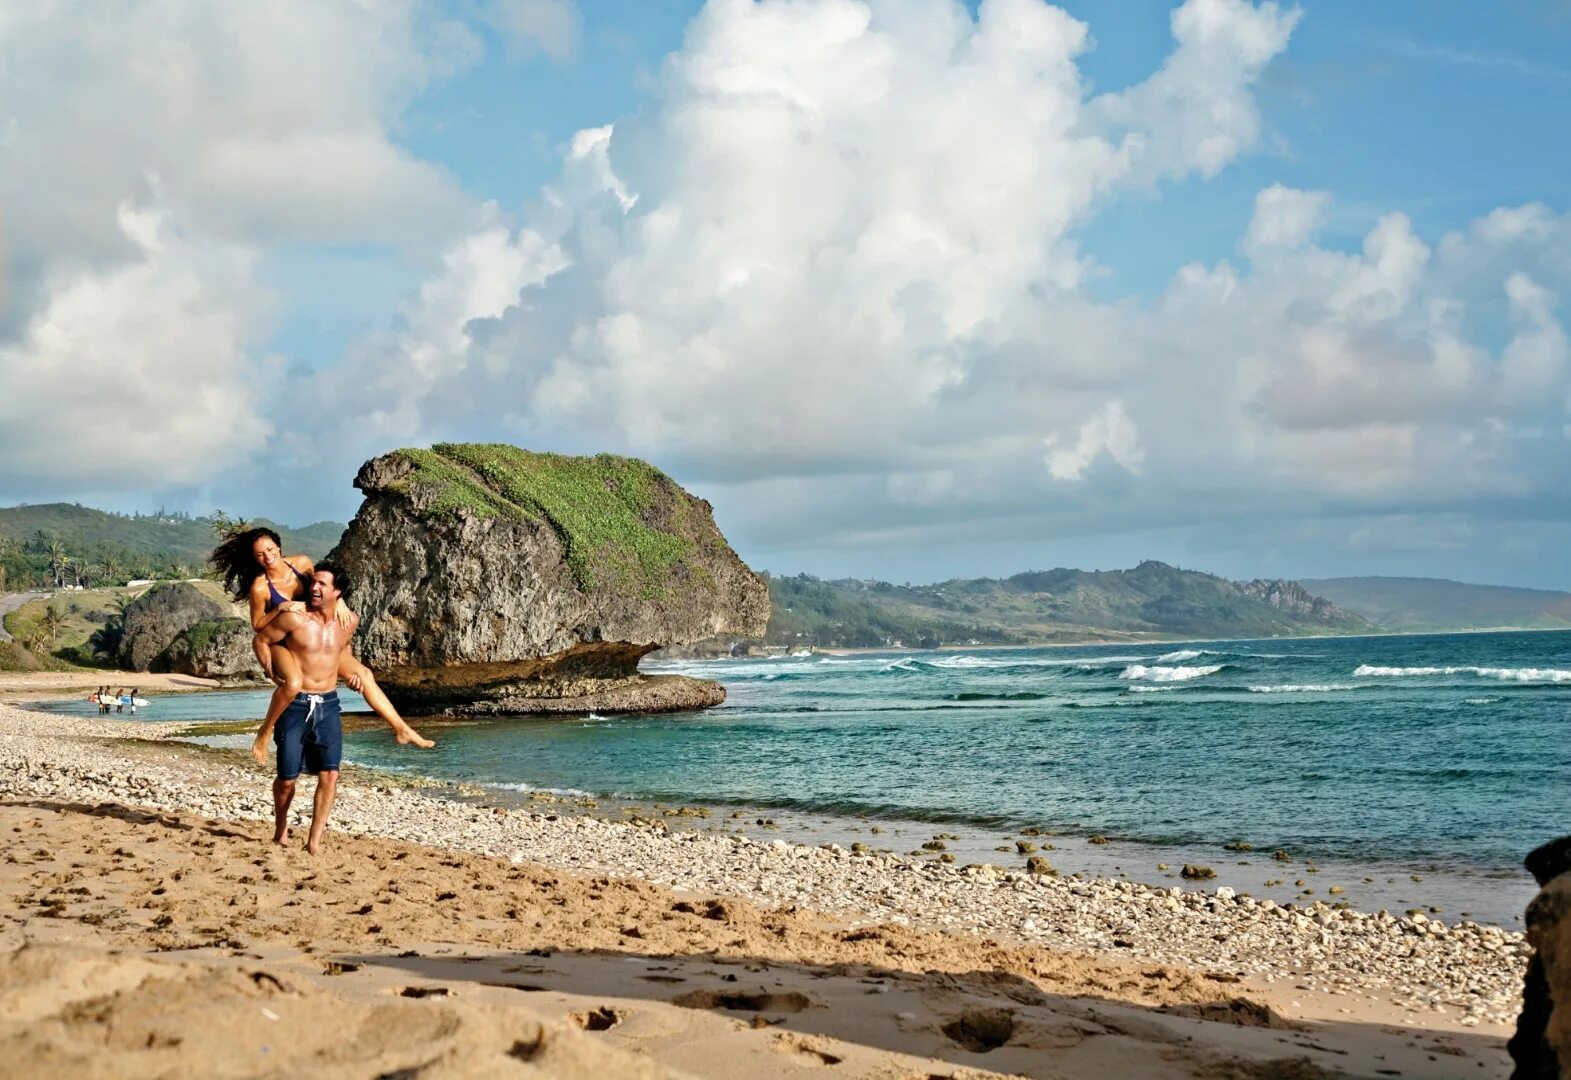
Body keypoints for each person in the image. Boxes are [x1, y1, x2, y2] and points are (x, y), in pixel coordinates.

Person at [207, 527, 432, 763]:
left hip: (315, 638)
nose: (267, 556)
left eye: (270, 549)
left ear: (279, 547)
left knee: (364, 674)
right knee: (293, 684)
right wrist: (280, 608)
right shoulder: (260, 586)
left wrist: (341, 602)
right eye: (259, 554)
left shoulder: (302, 563)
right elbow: (257, 624)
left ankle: (401, 729)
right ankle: (264, 732)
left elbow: (324, 584)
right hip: (282, 642)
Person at [253, 562, 397, 854]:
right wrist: (270, 670)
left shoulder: (349, 621)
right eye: (313, 582)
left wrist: (353, 674)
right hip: (295, 705)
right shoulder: (295, 617)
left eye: (322, 584)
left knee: (330, 775)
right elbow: (261, 639)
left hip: (329, 704)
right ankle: (281, 829)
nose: (314, 588)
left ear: (338, 592)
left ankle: (313, 842)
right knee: (286, 779)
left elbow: (343, 651)